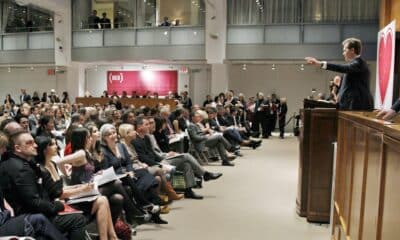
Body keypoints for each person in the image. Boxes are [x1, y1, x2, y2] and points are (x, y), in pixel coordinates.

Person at [0, 130, 87, 239]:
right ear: (18, 148)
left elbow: (53, 191)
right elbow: (34, 203)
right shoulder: (21, 168)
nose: (35, 145)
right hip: (30, 215)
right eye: (29, 143)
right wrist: (57, 206)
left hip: (32, 212)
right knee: (78, 219)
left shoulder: (27, 163)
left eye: (34, 142)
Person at [305, 38, 373, 110]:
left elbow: (342, 68)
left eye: (344, 50)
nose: (343, 53)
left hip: (357, 107)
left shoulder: (359, 63)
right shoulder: (354, 65)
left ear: (352, 50)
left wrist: (320, 64)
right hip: (350, 106)